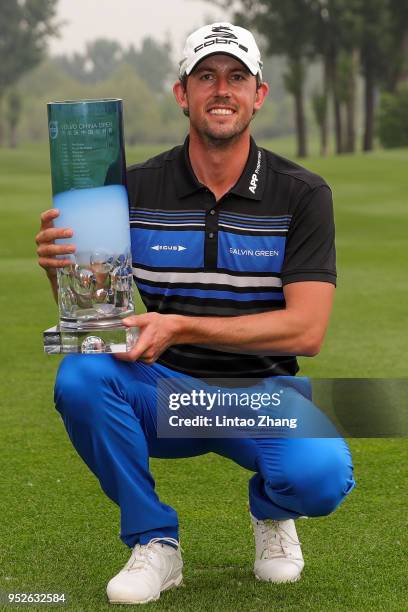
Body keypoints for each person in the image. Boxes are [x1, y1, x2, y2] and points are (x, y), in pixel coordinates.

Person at [36, 22, 355, 606]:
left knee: (321, 478)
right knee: (81, 376)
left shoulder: (303, 193)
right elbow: (99, 308)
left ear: (259, 94)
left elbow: (307, 331)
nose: (222, 90)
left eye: (237, 77)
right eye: (206, 77)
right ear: (183, 93)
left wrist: (179, 325)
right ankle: (155, 541)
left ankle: (273, 512)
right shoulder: (129, 188)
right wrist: (63, 272)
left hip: (262, 393)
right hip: (164, 392)